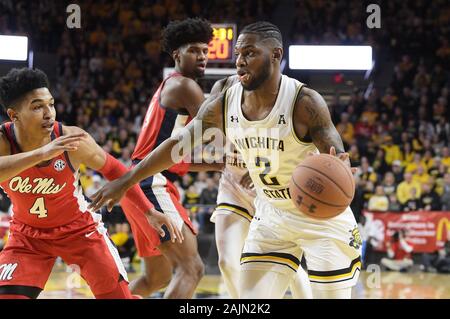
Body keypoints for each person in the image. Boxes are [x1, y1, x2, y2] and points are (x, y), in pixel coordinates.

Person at [89, 21, 362, 299]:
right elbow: (176, 145)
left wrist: (340, 169)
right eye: (238, 55)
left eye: (251, 53)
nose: (241, 62)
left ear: (276, 55)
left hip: (318, 216)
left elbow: (336, 157)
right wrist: (126, 180)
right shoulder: (223, 100)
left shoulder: (305, 102)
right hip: (271, 216)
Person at [0, 68, 181, 299]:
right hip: (27, 236)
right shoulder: (3, 141)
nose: (49, 113)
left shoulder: (72, 139)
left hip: (80, 232)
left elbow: (116, 170)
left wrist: (149, 211)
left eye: (51, 104)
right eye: (37, 107)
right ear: (14, 115)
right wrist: (42, 154)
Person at [113, 18, 214, 299]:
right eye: (195, 50)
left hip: (141, 185)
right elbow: (218, 130)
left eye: (205, 50)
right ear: (177, 55)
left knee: (155, 278)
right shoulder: (186, 87)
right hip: (153, 185)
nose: (202, 56)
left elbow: (169, 156)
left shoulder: (168, 86)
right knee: (191, 268)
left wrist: (219, 164)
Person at [209, 76, 312, 299]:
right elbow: (209, 141)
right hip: (233, 187)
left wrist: (255, 169)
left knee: (288, 266)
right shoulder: (223, 88)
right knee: (226, 262)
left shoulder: (278, 97)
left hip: (270, 190)